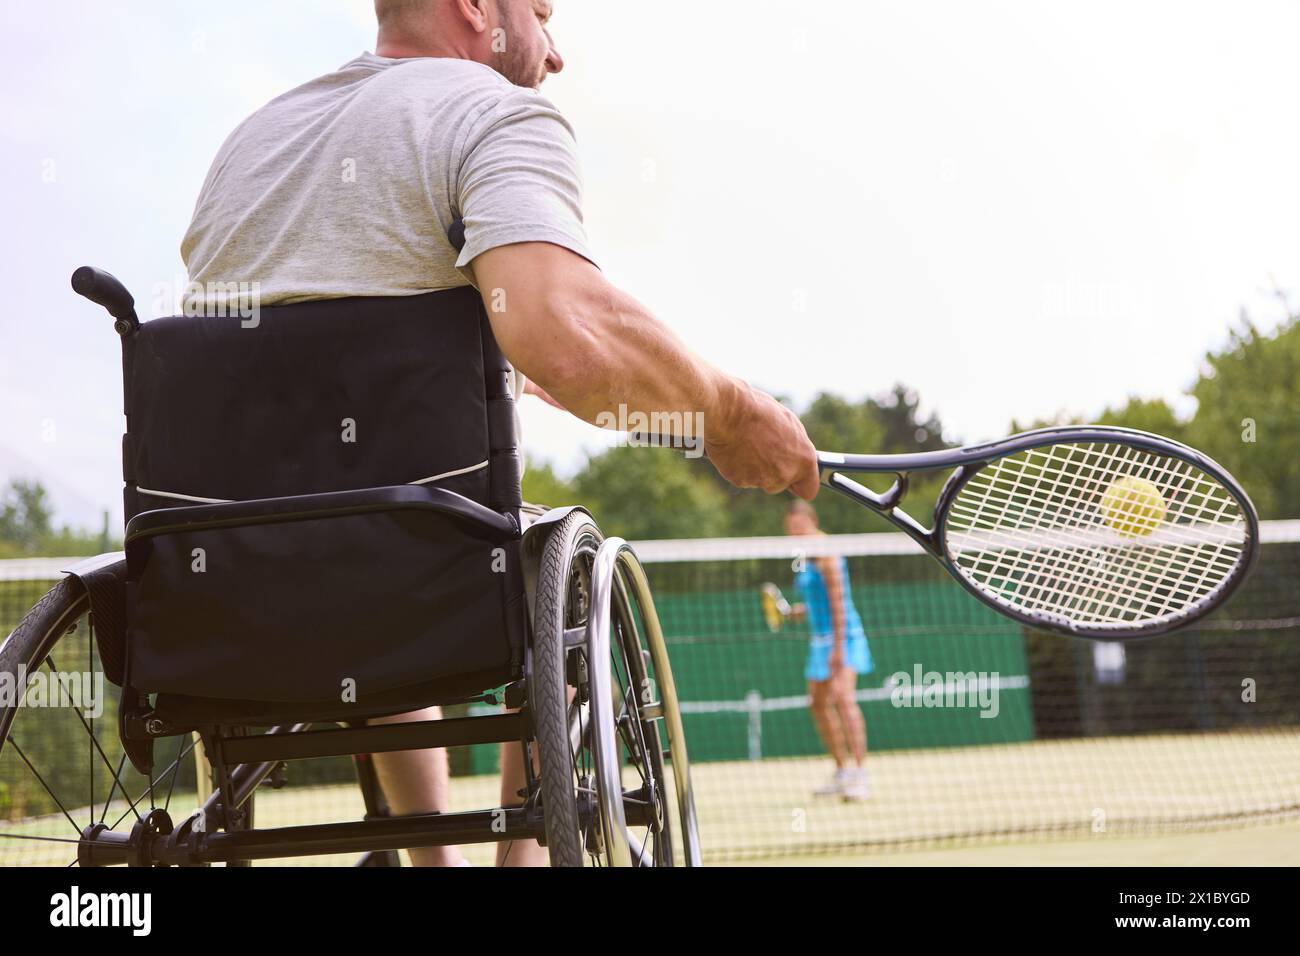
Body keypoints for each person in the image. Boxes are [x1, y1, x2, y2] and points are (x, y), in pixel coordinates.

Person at [180, 0, 819, 865]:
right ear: (478, 8)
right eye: (544, 13)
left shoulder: (250, 143)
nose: (555, 54)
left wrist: (491, 367)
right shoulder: (491, 111)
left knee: (375, 534)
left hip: (229, 576)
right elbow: (564, 330)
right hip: (426, 572)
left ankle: (428, 861)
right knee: (541, 550)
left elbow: (303, 353)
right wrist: (735, 417)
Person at [782, 500, 872, 801]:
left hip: (844, 636)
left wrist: (837, 649)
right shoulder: (805, 556)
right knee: (818, 703)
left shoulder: (827, 554)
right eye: (790, 529)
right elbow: (816, 603)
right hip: (820, 638)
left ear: (811, 521)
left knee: (843, 698)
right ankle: (841, 771)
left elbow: (837, 602)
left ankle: (860, 776)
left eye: (798, 527)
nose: (794, 534)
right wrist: (798, 611)